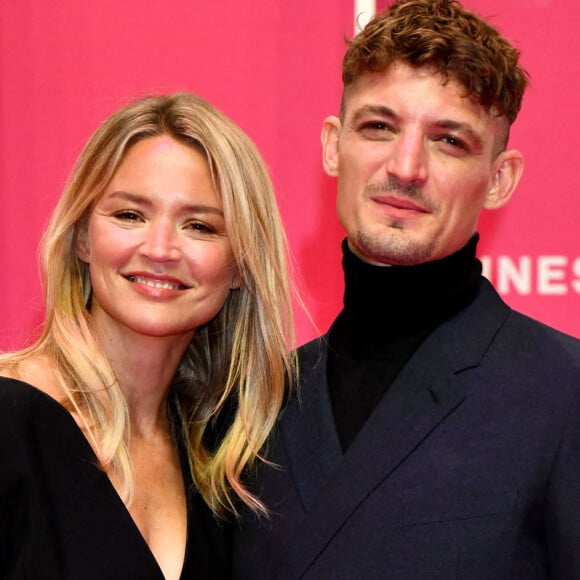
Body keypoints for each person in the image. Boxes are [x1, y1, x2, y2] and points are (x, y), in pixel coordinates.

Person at [232, 1, 580, 578]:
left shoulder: (563, 394)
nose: (407, 165)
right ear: (332, 145)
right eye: (378, 126)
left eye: (448, 140)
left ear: (499, 179)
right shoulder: (253, 403)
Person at [0, 92, 296, 579]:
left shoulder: (224, 463)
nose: (159, 249)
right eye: (129, 215)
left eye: (199, 226)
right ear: (82, 237)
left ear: (240, 266)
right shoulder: (9, 425)